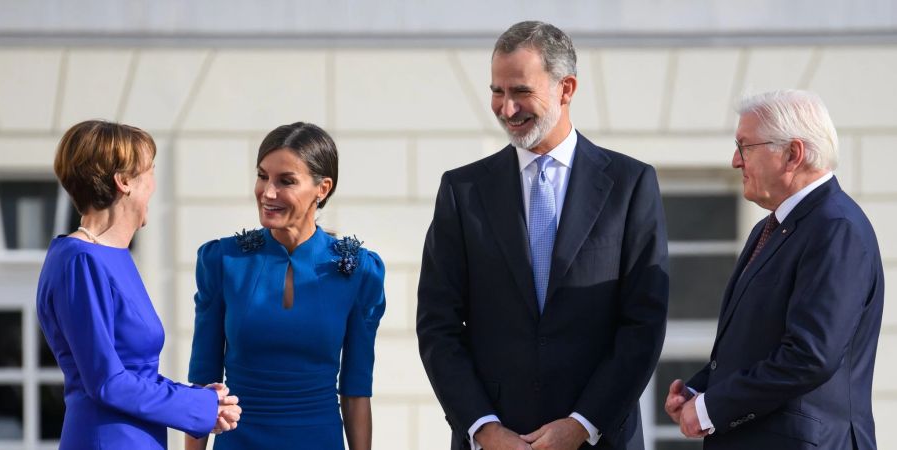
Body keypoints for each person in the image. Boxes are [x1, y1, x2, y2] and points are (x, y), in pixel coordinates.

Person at [417, 21, 669, 450]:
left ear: (566, 88)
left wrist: (581, 425)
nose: (506, 108)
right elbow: (438, 326)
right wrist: (484, 429)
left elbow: (642, 324)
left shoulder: (631, 185)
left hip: (598, 438)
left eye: (520, 92)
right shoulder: (462, 191)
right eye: (497, 91)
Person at [664, 90, 884, 449]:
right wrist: (699, 390)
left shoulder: (835, 227)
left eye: (745, 146)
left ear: (793, 154)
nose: (735, 161)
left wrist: (712, 408)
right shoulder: (771, 228)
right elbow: (757, 344)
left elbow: (809, 356)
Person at [36, 120, 241, 449]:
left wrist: (195, 399)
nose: (154, 186)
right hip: (107, 439)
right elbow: (107, 381)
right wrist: (199, 407)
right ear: (124, 182)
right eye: (150, 171)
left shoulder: (110, 257)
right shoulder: (81, 261)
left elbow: (135, 374)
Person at [186, 122, 386, 450]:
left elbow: (356, 390)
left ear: (322, 189)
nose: (267, 192)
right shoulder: (223, 261)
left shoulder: (359, 271)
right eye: (262, 176)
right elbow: (204, 384)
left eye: (286, 181)